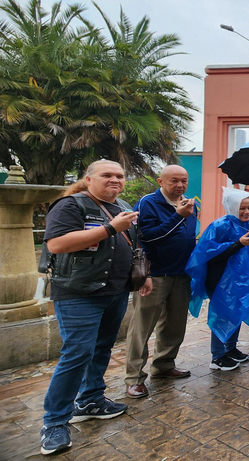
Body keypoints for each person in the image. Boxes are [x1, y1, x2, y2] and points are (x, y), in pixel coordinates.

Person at [39, 160, 148, 456]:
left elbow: (133, 243)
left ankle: (90, 400)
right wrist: (111, 227)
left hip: (114, 291)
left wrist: (141, 276)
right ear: (89, 179)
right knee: (77, 354)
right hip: (78, 293)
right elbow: (58, 245)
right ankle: (54, 421)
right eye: (107, 175)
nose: (115, 179)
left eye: (120, 175)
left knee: (101, 349)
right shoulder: (70, 205)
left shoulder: (122, 205)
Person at [125, 165, 198, 400]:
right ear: (160, 181)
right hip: (153, 274)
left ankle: (164, 365)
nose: (180, 185)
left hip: (181, 274)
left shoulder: (188, 204)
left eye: (184, 181)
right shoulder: (148, 203)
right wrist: (178, 216)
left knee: (175, 325)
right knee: (142, 327)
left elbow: (187, 238)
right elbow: (147, 236)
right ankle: (134, 378)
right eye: (174, 181)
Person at [186, 188, 249, 370]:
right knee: (222, 313)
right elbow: (209, 254)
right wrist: (237, 244)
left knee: (236, 312)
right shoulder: (219, 226)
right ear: (232, 207)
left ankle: (231, 348)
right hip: (221, 280)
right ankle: (218, 355)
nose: (246, 212)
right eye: (241, 208)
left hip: (243, 279)